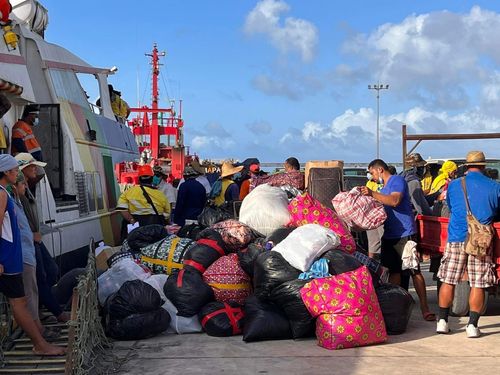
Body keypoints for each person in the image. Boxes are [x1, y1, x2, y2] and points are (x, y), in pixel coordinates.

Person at [0, 154, 65, 355]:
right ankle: (40, 344)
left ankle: (40, 343)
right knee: (20, 302)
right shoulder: (1, 194)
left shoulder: (5, 193)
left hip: (11, 257)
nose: (17, 174)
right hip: (7, 259)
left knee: (20, 302)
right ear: (6, 172)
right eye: (14, 171)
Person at [360, 159, 435, 322]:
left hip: (404, 234)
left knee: (414, 270)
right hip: (389, 235)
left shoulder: (397, 181)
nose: (372, 177)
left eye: (372, 173)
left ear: (380, 170)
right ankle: (397, 306)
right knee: (394, 272)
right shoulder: (384, 188)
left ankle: (425, 309)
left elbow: (394, 200)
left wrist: (371, 193)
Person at [436, 151, 500, 338]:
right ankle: (472, 325)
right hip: (480, 240)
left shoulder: (455, 185)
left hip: (456, 237)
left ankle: (442, 321)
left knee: (449, 279)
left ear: (466, 166)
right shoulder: (494, 187)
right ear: (483, 166)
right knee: (478, 283)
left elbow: (449, 205)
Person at [15, 153, 70, 323]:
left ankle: (42, 308)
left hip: (35, 239)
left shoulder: (26, 187)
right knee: (40, 277)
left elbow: (38, 175)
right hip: (29, 240)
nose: (35, 169)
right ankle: (56, 313)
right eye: (31, 166)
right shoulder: (16, 193)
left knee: (51, 270)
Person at [117, 164, 170, 238]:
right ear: (152, 179)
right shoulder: (161, 195)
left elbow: (122, 209)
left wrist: (131, 220)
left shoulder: (128, 192)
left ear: (139, 179)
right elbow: (167, 215)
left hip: (136, 227)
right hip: (155, 228)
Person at [365, 171, 384, 260]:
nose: (370, 175)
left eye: (371, 172)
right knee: (373, 242)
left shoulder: (383, 182)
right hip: (371, 214)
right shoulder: (369, 183)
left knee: (382, 239)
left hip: (380, 213)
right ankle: (371, 265)